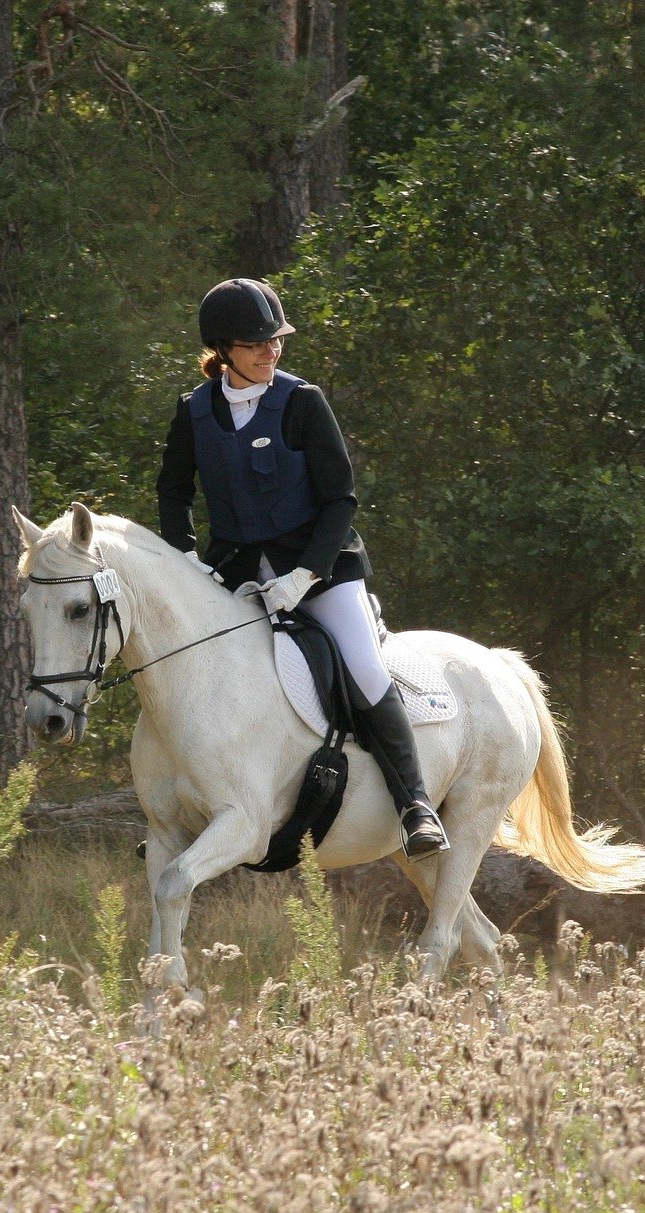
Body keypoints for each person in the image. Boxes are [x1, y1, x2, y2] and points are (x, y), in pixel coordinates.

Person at [156, 277, 450, 859]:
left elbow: (340, 498)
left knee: (364, 666)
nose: (273, 351)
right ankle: (182, 809)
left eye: (277, 341)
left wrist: (304, 575)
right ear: (223, 350)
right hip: (235, 572)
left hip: (321, 571)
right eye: (259, 343)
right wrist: (186, 558)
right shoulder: (194, 413)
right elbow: (173, 492)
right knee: (185, 670)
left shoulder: (301, 401)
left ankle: (414, 804)